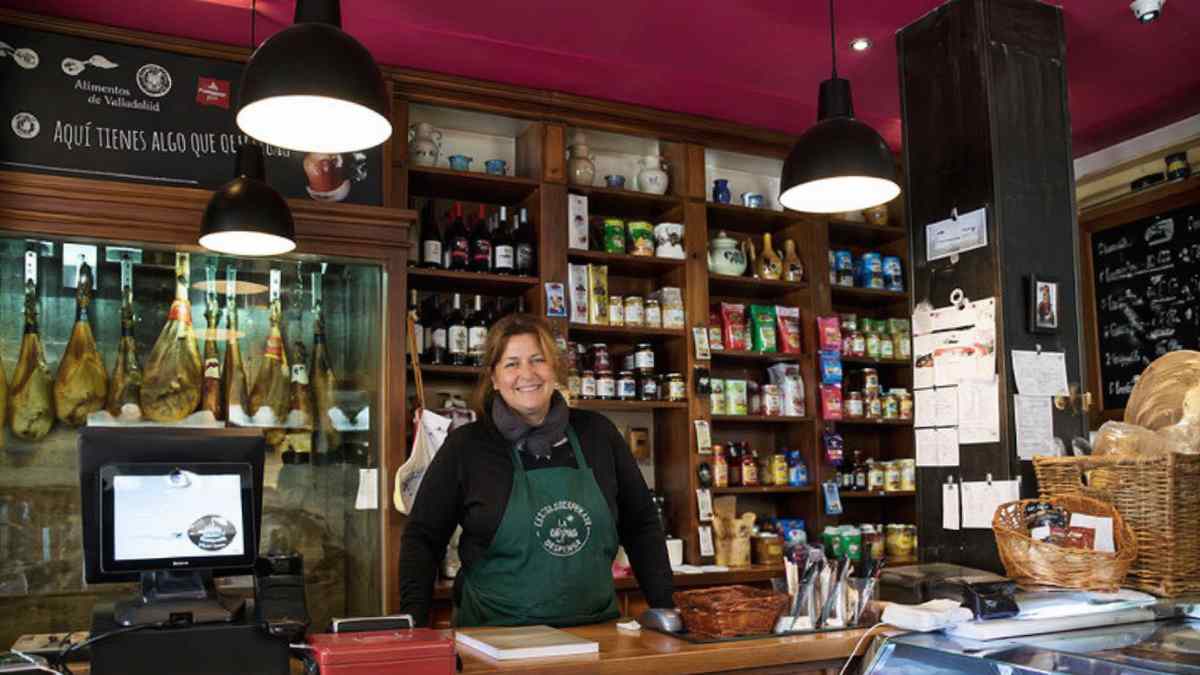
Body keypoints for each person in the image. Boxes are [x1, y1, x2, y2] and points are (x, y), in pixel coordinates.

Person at [399, 313, 675, 627]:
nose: (526, 374)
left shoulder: (598, 434)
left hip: (596, 634)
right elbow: (422, 538)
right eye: (512, 363)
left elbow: (641, 525)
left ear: (554, 368)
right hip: (495, 639)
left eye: (537, 360)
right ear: (494, 378)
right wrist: (414, 628)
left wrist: (665, 607)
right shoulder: (467, 447)